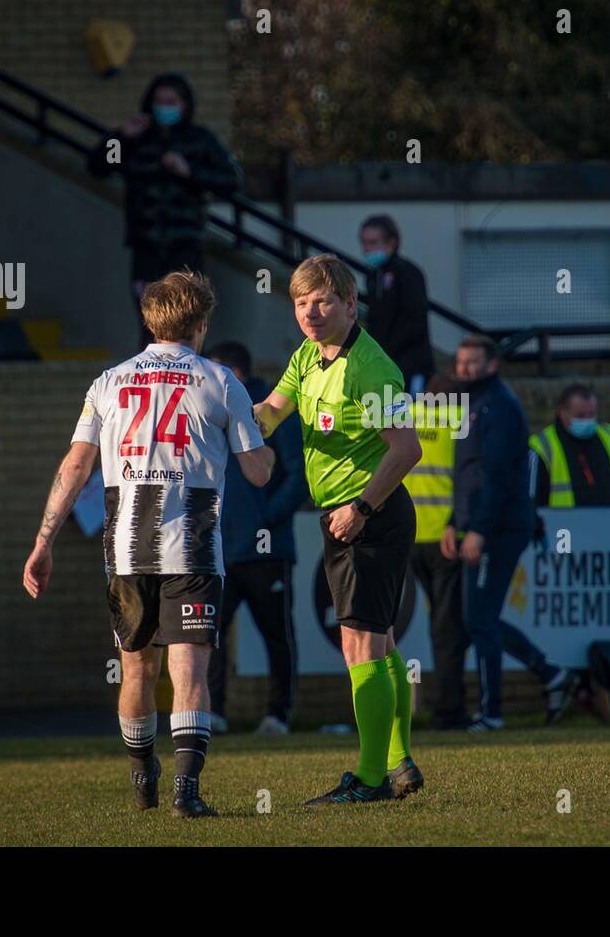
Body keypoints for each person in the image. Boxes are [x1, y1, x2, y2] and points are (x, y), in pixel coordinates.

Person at [21, 270, 274, 818]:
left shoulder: (109, 382)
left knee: (136, 670)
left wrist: (44, 541)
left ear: (149, 320)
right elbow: (257, 472)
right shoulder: (222, 380)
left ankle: (142, 778)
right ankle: (187, 792)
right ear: (202, 323)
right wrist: (261, 433)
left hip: (127, 551)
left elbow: (75, 466)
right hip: (194, 546)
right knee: (191, 672)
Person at [254, 254, 424, 805]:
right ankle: (398, 762)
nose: (311, 312)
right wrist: (221, 410)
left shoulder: (371, 367)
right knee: (380, 642)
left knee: (363, 647)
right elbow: (271, 413)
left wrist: (362, 508)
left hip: (370, 517)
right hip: (343, 518)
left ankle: (370, 778)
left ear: (351, 304)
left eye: (323, 300)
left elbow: (407, 448)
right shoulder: (308, 356)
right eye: (301, 302)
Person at [446, 335, 578, 731]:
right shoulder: (470, 404)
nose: (465, 368)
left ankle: (492, 713)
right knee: (478, 620)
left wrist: (478, 531)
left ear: (492, 365)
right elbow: (468, 474)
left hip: (500, 529)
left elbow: (497, 478)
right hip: (481, 525)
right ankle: (550, 674)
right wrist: (455, 521)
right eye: (461, 361)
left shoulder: (500, 406)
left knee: (480, 621)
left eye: (473, 362)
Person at [88, 72, 243, 346]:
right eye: (160, 102)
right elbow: (97, 166)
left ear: (184, 105)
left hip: (184, 244)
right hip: (145, 245)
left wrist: (190, 172)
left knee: (188, 316)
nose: (165, 108)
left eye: (172, 101)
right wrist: (121, 136)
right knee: (149, 320)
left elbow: (232, 181)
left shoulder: (200, 139)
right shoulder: (136, 140)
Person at [206, 340, 308, 736]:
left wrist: (265, 519)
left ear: (234, 375)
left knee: (277, 635)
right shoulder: (209, 410)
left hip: (267, 551)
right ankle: (213, 713)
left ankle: (278, 715)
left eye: (214, 372)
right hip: (219, 550)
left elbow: (299, 477)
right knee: (208, 633)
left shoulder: (272, 413)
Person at [402, 372, 471, 729]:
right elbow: (467, 478)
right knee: (447, 629)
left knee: (381, 632)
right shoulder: (459, 422)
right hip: (446, 540)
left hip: (406, 538)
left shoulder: (406, 416)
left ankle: (391, 713)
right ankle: (449, 709)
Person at [529, 383, 610, 508]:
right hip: (568, 526)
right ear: (561, 412)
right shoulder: (543, 446)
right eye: (580, 416)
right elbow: (531, 499)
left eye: (592, 414)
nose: (587, 420)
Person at [358, 214, 435, 393]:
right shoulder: (374, 275)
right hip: (385, 364)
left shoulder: (408, 273)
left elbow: (414, 321)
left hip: (410, 364)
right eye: (364, 243)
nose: (367, 249)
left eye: (372, 242)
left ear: (391, 243)